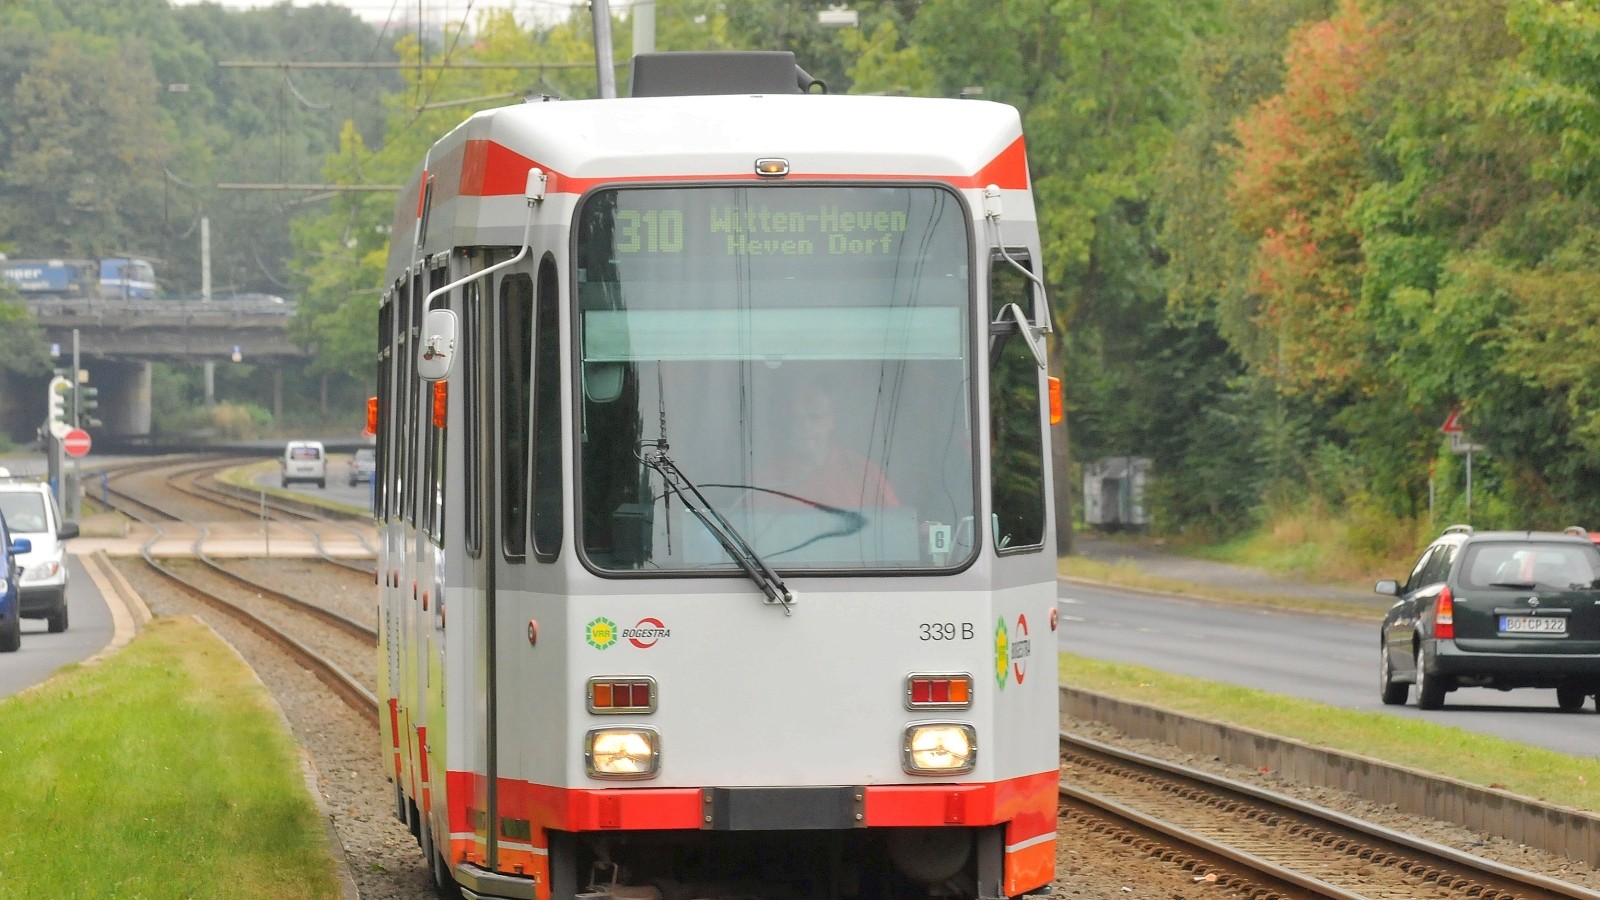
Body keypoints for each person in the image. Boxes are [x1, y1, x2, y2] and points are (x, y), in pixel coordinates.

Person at [759, 381, 899, 509]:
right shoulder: (764, 482)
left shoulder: (863, 474)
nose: (806, 426)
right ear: (787, 424)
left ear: (832, 420)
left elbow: (896, 529)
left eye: (815, 416)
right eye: (797, 418)